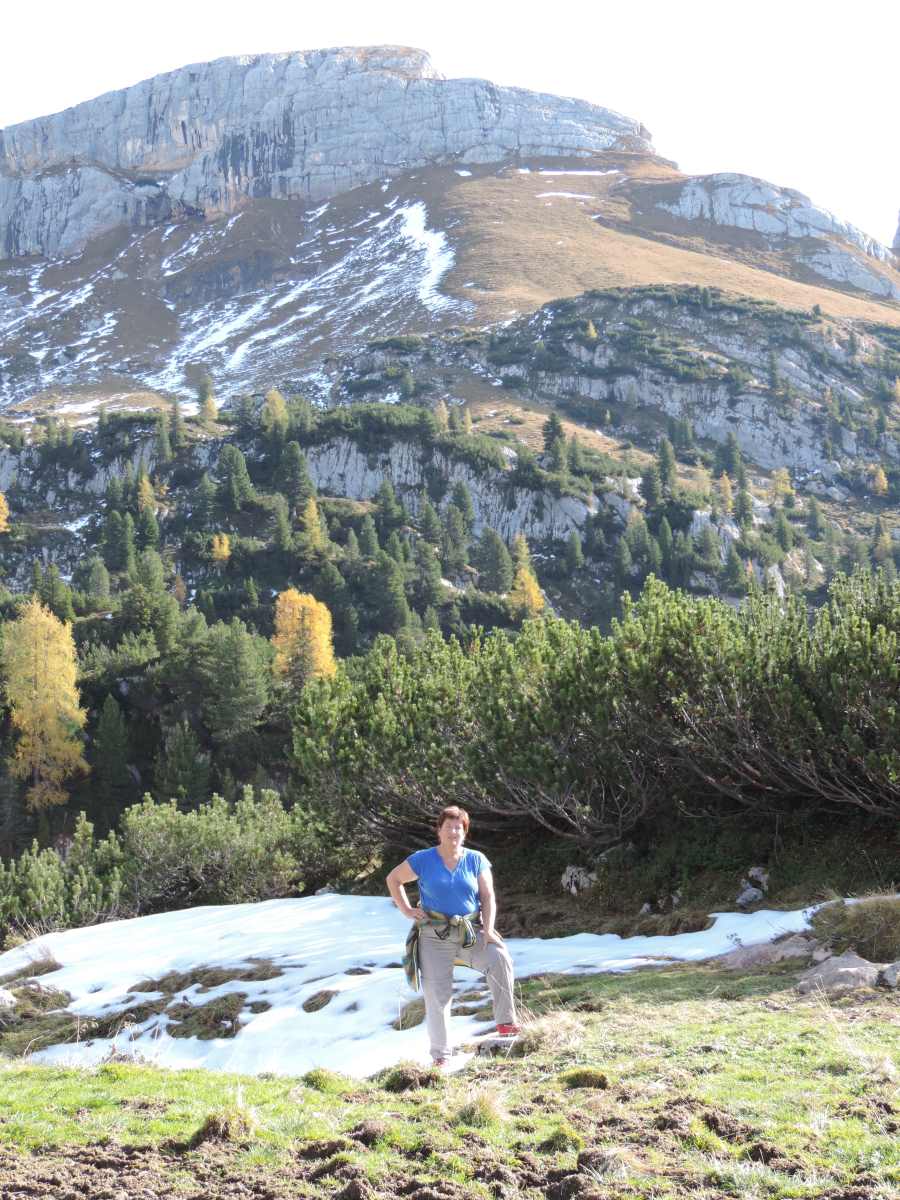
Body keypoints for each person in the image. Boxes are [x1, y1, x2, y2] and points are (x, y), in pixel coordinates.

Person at [386, 804, 519, 1066]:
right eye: (449, 827)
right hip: (434, 935)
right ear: (439, 830)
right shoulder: (423, 859)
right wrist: (407, 910)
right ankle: (441, 1055)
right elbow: (394, 879)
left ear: (465, 832)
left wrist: (489, 929)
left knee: (500, 959)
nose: (453, 832)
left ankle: (507, 1024)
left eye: (459, 828)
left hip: (471, 931)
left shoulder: (476, 859)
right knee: (437, 994)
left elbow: (488, 896)